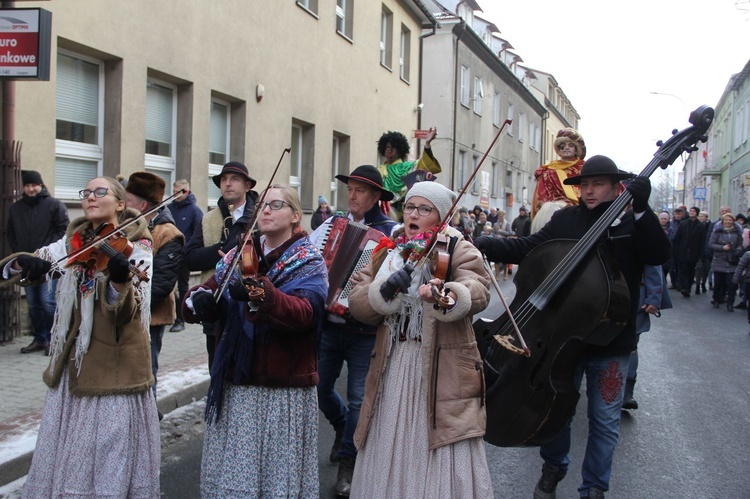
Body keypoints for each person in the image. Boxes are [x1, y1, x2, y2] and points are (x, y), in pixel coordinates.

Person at [473, 155, 671, 498]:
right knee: (553, 412)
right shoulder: (568, 219)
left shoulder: (631, 224)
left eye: (597, 185)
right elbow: (530, 248)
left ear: (615, 187)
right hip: (558, 337)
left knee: (605, 421)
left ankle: (594, 487)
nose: (589, 191)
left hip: (611, 341)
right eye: (584, 185)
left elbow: (658, 254)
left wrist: (642, 209)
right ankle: (554, 466)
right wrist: (486, 243)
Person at [1, 176, 159, 497]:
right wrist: (25, 262)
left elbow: (126, 314)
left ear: (119, 204)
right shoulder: (74, 241)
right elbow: (30, 265)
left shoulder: (138, 249)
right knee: (70, 450)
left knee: (107, 452)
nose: (90, 197)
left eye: (100, 192)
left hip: (113, 368)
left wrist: (117, 283)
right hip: (75, 361)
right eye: (86, 192)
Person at [347, 181, 493, 497]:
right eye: (410, 207)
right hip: (394, 361)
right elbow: (357, 301)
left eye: (424, 209)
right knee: (388, 436)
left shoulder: (456, 247)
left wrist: (448, 294)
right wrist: (383, 291)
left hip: (441, 365)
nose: (413, 214)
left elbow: (478, 288)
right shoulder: (388, 249)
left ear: (440, 214)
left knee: (435, 440)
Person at [184, 184, 327, 497]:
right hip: (237, 378)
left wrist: (263, 293)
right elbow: (206, 289)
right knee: (236, 472)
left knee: (274, 474)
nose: (266, 210)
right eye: (262, 204)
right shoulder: (241, 254)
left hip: (281, 383)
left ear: (294, 217)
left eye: (276, 204)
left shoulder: (308, 260)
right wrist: (200, 302)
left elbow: (305, 313)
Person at [309, 164, 398, 497]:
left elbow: (394, 280)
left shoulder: (392, 233)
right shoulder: (332, 224)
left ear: (376, 196)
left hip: (364, 331)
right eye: (350, 189)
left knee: (361, 400)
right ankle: (340, 424)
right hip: (329, 327)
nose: (352, 195)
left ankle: (349, 461)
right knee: (319, 388)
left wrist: (373, 282)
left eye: (360, 190)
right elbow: (310, 255)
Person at [184, 161, 258, 371]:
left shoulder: (261, 216)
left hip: (248, 303)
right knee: (216, 369)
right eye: (224, 180)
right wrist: (223, 252)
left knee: (246, 370)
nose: (227, 184)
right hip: (215, 304)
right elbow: (190, 257)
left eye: (234, 179)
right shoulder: (208, 219)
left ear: (247, 186)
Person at [125, 172, 185, 420]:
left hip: (150, 316)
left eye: (127, 200)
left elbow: (161, 283)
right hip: (122, 314)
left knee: (145, 373)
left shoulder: (168, 233)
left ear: (142, 205)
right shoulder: (124, 226)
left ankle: (147, 420)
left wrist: (128, 307)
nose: (122, 205)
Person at [7, 170, 69, 355]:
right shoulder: (16, 208)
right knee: (33, 303)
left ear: (41, 185)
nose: (31, 189)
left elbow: (63, 231)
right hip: (26, 265)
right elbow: (10, 232)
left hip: (47, 264)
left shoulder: (54, 205)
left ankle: (53, 339)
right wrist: (19, 253)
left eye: (34, 185)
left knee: (47, 302)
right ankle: (39, 339)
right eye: (27, 185)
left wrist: (49, 252)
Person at [622, 265, 672, 410]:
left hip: (635, 296)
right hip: (606, 292)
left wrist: (653, 298)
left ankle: (627, 390)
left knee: (630, 345)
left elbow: (653, 263)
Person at [376, 128, 441, 216]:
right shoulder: (378, 170)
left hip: (404, 214)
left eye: (393, 148)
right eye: (387, 147)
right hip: (381, 213)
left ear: (400, 151)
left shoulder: (407, 167)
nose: (389, 150)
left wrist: (427, 144)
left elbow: (427, 166)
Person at [167, 178, 204, 332]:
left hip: (183, 256)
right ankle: (170, 315)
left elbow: (198, 235)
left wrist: (188, 250)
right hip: (167, 255)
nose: (176, 195)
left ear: (187, 192)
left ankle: (181, 319)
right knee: (166, 286)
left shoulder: (194, 211)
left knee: (182, 287)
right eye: (174, 192)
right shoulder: (168, 208)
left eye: (179, 192)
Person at [531, 128, 586, 218]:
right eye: (562, 146)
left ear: (576, 150)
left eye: (571, 145)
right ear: (559, 151)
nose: (566, 148)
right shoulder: (548, 172)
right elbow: (540, 198)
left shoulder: (585, 169)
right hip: (554, 215)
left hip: (581, 214)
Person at [709, 212, 744, 311]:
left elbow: (741, 245)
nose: (728, 222)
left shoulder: (737, 232)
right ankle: (716, 300)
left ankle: (730, 303)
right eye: (726, 220)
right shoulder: (717, 231)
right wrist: (722, 247)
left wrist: (738, 250)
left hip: (732, 261)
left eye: (730, 220)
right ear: (722, 221)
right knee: (718, 283)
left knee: (731, 284)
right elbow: (711, 244)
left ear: (733, 221)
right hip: (719, 260)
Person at [671, 206, 707, 297]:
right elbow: (677, 238)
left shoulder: (701, 226)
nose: (691, 212)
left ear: (697, 213)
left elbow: (703, 241)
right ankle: (684, 288)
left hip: (694, 253)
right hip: (682, 252)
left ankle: (688, 287)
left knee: (691, 271)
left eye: (694, 211)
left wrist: (701, 255)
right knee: (683, 270)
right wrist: (675, 251)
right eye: (690, 211)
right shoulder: (683, 224)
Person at [694, 210, 711, 294]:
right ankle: (697, 285)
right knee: (698, 269)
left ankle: (703, 283)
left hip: (707, 251)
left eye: (702, 216)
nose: (701, 218)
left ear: (706, 218)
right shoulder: (697, 226)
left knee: (706, 269)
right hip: (698, 251)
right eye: (700, 216)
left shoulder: (710, 226)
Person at [668, 207, 685, 289]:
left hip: (680, 248)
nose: (678, 216)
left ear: (682, 214)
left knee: (679, 267)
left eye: (679, 214)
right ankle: (673, 283)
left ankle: (679, 283)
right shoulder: (671, 224)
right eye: (676, 214)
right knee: (671, 267)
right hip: (672, 248)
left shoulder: (684, 223)